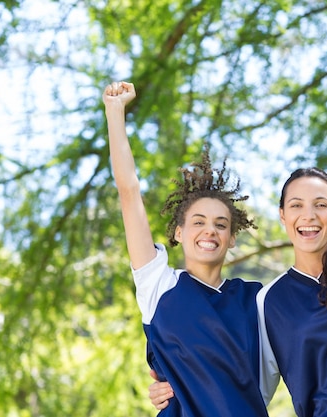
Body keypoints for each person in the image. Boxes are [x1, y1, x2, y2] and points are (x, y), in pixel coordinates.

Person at [149, 38, 327, 416]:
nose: (309, 215)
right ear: (283, 216)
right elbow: (233, 381)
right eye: (297, 206)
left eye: (321, 205)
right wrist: (171, 388)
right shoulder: (267, 303)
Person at [103, 81, 268, 416]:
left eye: (221, 224)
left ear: (232, 237)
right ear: (178, 232)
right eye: (198, 222)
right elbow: (129, 192)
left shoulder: (257, 300)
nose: (210, 230)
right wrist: (115, 111)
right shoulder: (158, 286)